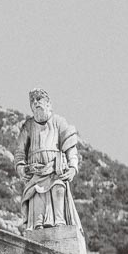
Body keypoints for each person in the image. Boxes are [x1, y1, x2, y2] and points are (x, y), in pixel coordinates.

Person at [15, 90, 82, 231]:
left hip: (55, 170)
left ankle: (60, 223)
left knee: (58, 188)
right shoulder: (28, 126)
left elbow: (70, 147)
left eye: (39, 99)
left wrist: (72, 168)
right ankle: (38, 227)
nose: (36, 102)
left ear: (48, 103)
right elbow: (20, 152)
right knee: (36, 195)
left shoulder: (59, 122)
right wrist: (21, 168)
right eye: (32, 100)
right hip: (36, 173)